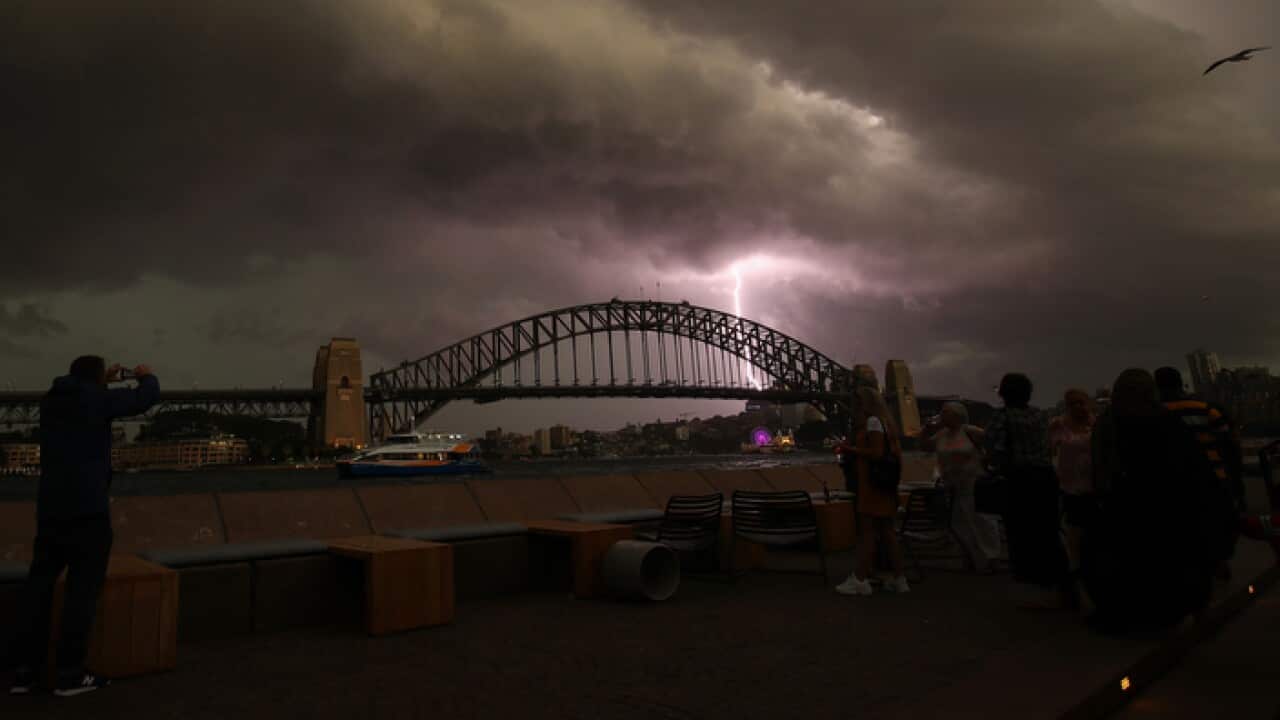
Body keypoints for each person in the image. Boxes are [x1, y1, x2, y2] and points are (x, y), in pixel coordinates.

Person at [9, 357, 159, 697]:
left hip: (50, 509)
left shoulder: (51, 401)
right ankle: (69, 674)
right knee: (81, 593)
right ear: (96, 379)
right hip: (87, 511)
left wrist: (98, 381)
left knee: (39, 588)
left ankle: (25, 672)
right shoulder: (97, 400)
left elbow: (82, 395)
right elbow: (144, 398)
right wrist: (146, 377)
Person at [1083, 369, 1221, 634]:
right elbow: (1192, 470)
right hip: (1167, 511)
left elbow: (1101, 471)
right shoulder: (1167, 422)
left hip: (1125, 511)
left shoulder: (1108, 423)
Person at [984, 373, 1069, 608]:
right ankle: (1063, 582)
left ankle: (1036, 581)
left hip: (1019, 480)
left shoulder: (1002, 417)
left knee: (1021, 532)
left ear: (1003, 393)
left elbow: (994, 449)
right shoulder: (1040, 415)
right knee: (1048, 531)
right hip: (1045, 478)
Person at [1153, 366, 1243, 580]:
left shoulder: (1153, 413)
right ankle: (1220, 563)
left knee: (1183, 529)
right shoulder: (1206, 409)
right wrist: (1235, 480)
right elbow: (1228, 445)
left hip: (1172, 483)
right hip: (1213, 478)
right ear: (1180, 383)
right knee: (1216, 523)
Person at [836, 387, 909, 596]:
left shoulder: (873, 422)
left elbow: (876, 453)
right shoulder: (885, 422)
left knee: (868, 532)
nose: (853, 406)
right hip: (884, 484)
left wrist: (847, 449)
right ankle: (899, 579)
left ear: (865, 403)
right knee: (887, 531)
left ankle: (860, 580)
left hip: (872, 484)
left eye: (857, 401)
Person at [923, 402, 1001, 572]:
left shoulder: (970, 431)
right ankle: (969, 556)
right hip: (952, 485)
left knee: (982, 521)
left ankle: (991, 557)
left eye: (946, 413)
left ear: (956, 415)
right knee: (959, 523)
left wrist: (988, 462)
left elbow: (993, 444)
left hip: (974, 483)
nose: (942, 416)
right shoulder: (941, 435)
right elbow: (925, 447)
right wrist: (926, 430)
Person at [1049, 389, 1097, 603]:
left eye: (1081, 402)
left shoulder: (1098, 425)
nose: (1078, 407)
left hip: (1096, 490)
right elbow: (1047, 451)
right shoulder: (1058, 426)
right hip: (1071, 490)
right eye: (1072, 404)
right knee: (1075, 540)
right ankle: (1080, 591)